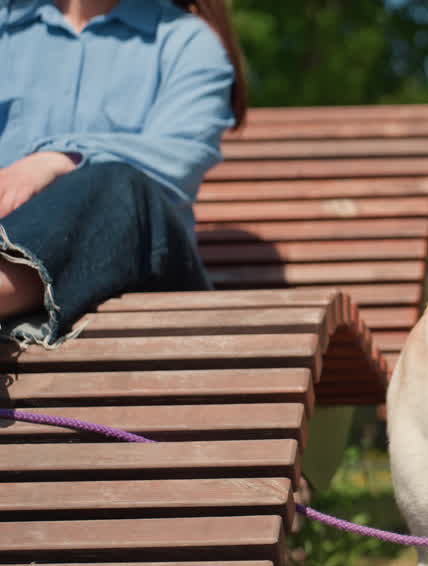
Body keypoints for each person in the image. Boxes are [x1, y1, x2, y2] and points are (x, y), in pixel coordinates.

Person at [0, 0, 245, 347]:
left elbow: (179, 161)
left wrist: (59, 159)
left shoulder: (186, 42)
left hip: (150, 289)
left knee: (120, 183)